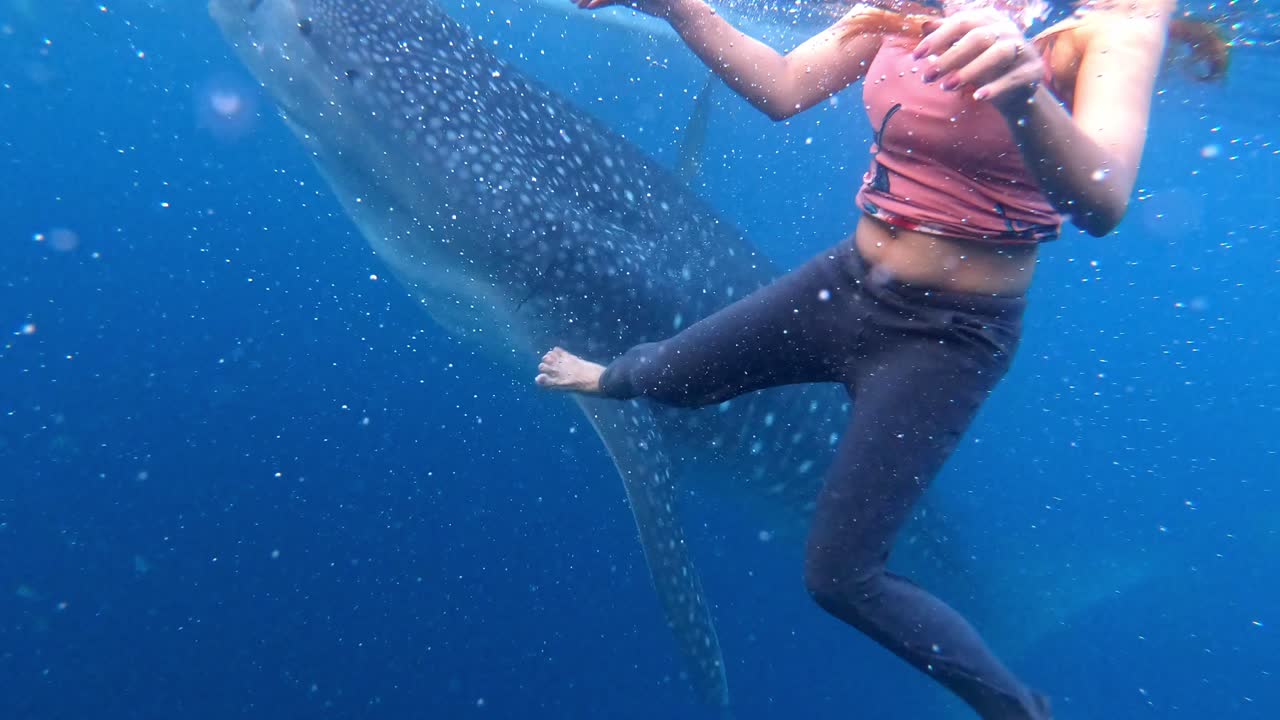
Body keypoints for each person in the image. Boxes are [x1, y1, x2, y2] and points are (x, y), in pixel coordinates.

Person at [535, 1, 1226, 717]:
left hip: (947, 337)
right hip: (847, 282)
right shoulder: (901, 8)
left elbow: (1104, 201)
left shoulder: (1111, 26)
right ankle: (612, 376)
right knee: (673, 375)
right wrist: (681, 10)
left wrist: (1024, 91)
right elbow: (781, 87)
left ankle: (1016, 707)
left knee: (839, 577)